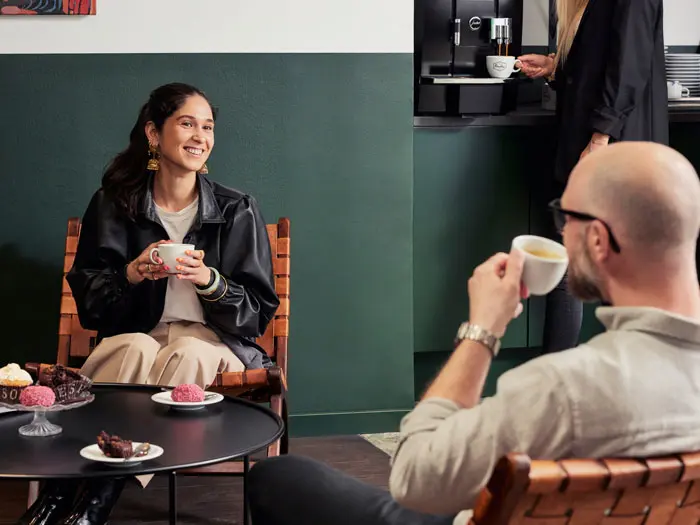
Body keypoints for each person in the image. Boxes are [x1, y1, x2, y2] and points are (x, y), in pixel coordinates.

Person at [246, 142, 700, 525]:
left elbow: (415, 480)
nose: (562, 231)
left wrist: (483, 329)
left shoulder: (565, 387)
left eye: (567, 217)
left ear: (599, 240)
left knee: (280, 478)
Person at [16, 83, 279, 525]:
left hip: (213, 342)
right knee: (135, 348)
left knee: (188, 351)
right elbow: (92, 309)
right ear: (154, 134)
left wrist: (210, 282)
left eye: (208, 127)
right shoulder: (113, 205)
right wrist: (132, 273)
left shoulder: (237, 209)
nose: (200, 136)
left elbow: (256, 312)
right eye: (188, 123)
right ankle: (70, 499)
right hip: (135, 335)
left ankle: (84, 502)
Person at [517, 0, 668, 353]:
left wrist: (600, 138)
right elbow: (602, 59)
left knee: (595, 267)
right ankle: (566, 380)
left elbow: (629, 68)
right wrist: (556, 66)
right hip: (590, 143)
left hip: (612, 149)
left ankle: (570, 381)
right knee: (576, 261)